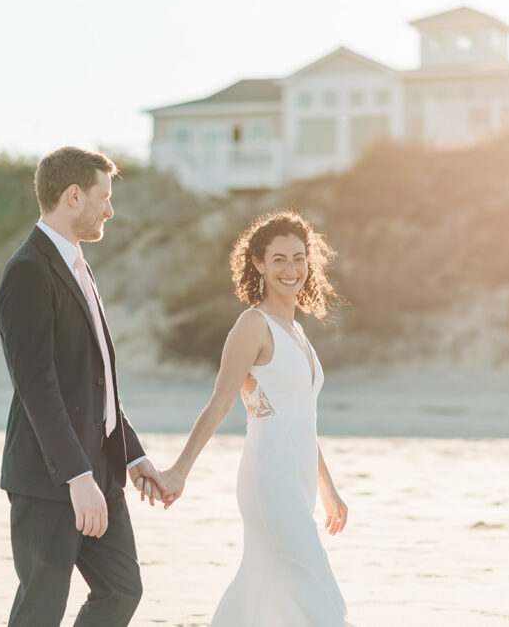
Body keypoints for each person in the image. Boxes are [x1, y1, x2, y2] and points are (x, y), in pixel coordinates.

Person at [143, 209, 354, 626]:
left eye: (298, 258)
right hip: (269, 479)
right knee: (318, 590)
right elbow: (219, 403)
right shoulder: (252, 325)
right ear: (258, 262)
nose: (291, 269)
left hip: (299, 482)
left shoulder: (297, 330)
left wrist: (328, 489)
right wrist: (179, 471)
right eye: (279, 259)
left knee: (263, 587)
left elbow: (302, 421)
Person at [0, 146, 167, 627]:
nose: (110, 209)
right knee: (41, 608)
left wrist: (131, 454)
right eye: (103, 197)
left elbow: (98, 382)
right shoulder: (28, 271)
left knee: (121, 590)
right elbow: (37, 386)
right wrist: (76, 476)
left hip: (101, 473)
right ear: (74, 196)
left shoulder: (78, 265)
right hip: (51, 479)